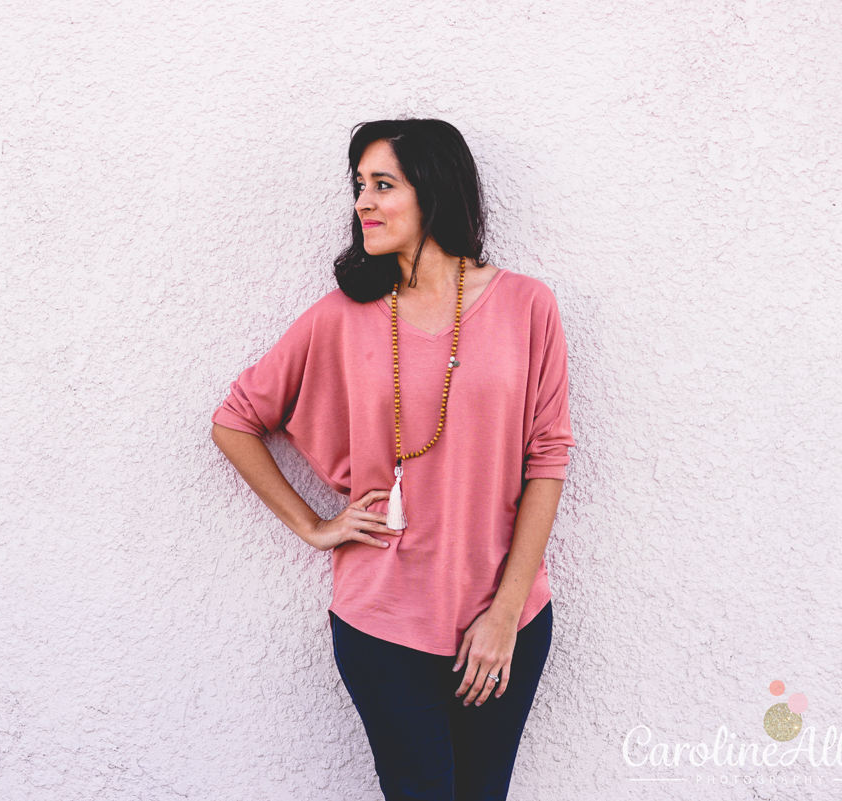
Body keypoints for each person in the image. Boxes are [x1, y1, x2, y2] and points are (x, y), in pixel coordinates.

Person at [209, 118, 576, 801]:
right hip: (382, 622)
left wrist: (504, 611)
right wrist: (315, 524)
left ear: (433, 191)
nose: (363, 203)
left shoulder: (529, 305)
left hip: (506, 619)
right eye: (359, 186)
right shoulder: (341, 316)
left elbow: (548, 459)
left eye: (384, 185)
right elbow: (235, 420)